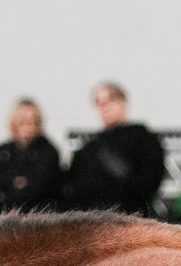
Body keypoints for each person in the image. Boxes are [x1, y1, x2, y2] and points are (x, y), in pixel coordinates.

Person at [58, 81, 163, 216]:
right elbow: (70, 187)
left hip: (128, 220)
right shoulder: (89, 149)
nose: (104, 108)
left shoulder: (143, 139)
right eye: (99, 103)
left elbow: (147, 183)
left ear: (123, 102)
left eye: (110, 101)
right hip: (91, 222)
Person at [0, 98, 62, 221]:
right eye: (22, 121)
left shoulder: (48, 151)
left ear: (39, 122)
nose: (27, 124)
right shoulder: (1, 151)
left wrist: (3, 190)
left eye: (31, 121)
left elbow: (38, 186)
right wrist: (15, 182)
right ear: (13, 123)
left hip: (33, 219)